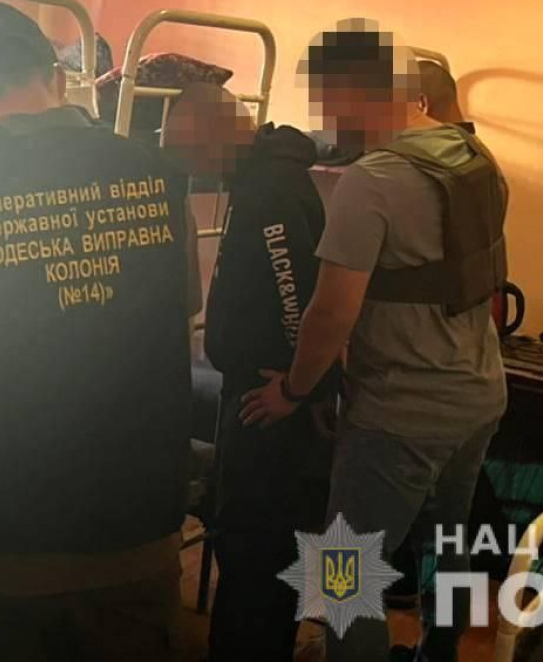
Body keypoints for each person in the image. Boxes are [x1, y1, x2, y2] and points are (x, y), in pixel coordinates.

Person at [0, 2, 200, 661]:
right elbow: (181, 313)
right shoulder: (163, 175)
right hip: (141, 528)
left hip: (3, 539)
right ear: (57, 79)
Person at [241, 20, 509, 662]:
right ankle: (437, 654)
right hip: (479, 394)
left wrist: (293, 390)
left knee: (343, 574)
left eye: (331, 104)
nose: (329, 123)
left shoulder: (374, 179)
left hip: (402, 413)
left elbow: (332, 311)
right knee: (449, 542)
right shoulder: (475, 157)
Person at [163, 83, 336, 661]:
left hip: (267, 400)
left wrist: (294, 387)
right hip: (266, 391)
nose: (191, 168)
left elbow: (297, 297)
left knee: (254, 543)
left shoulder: (270, 193)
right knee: (256, 542)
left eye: (190, 151)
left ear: (218, 133)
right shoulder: (263, 180)